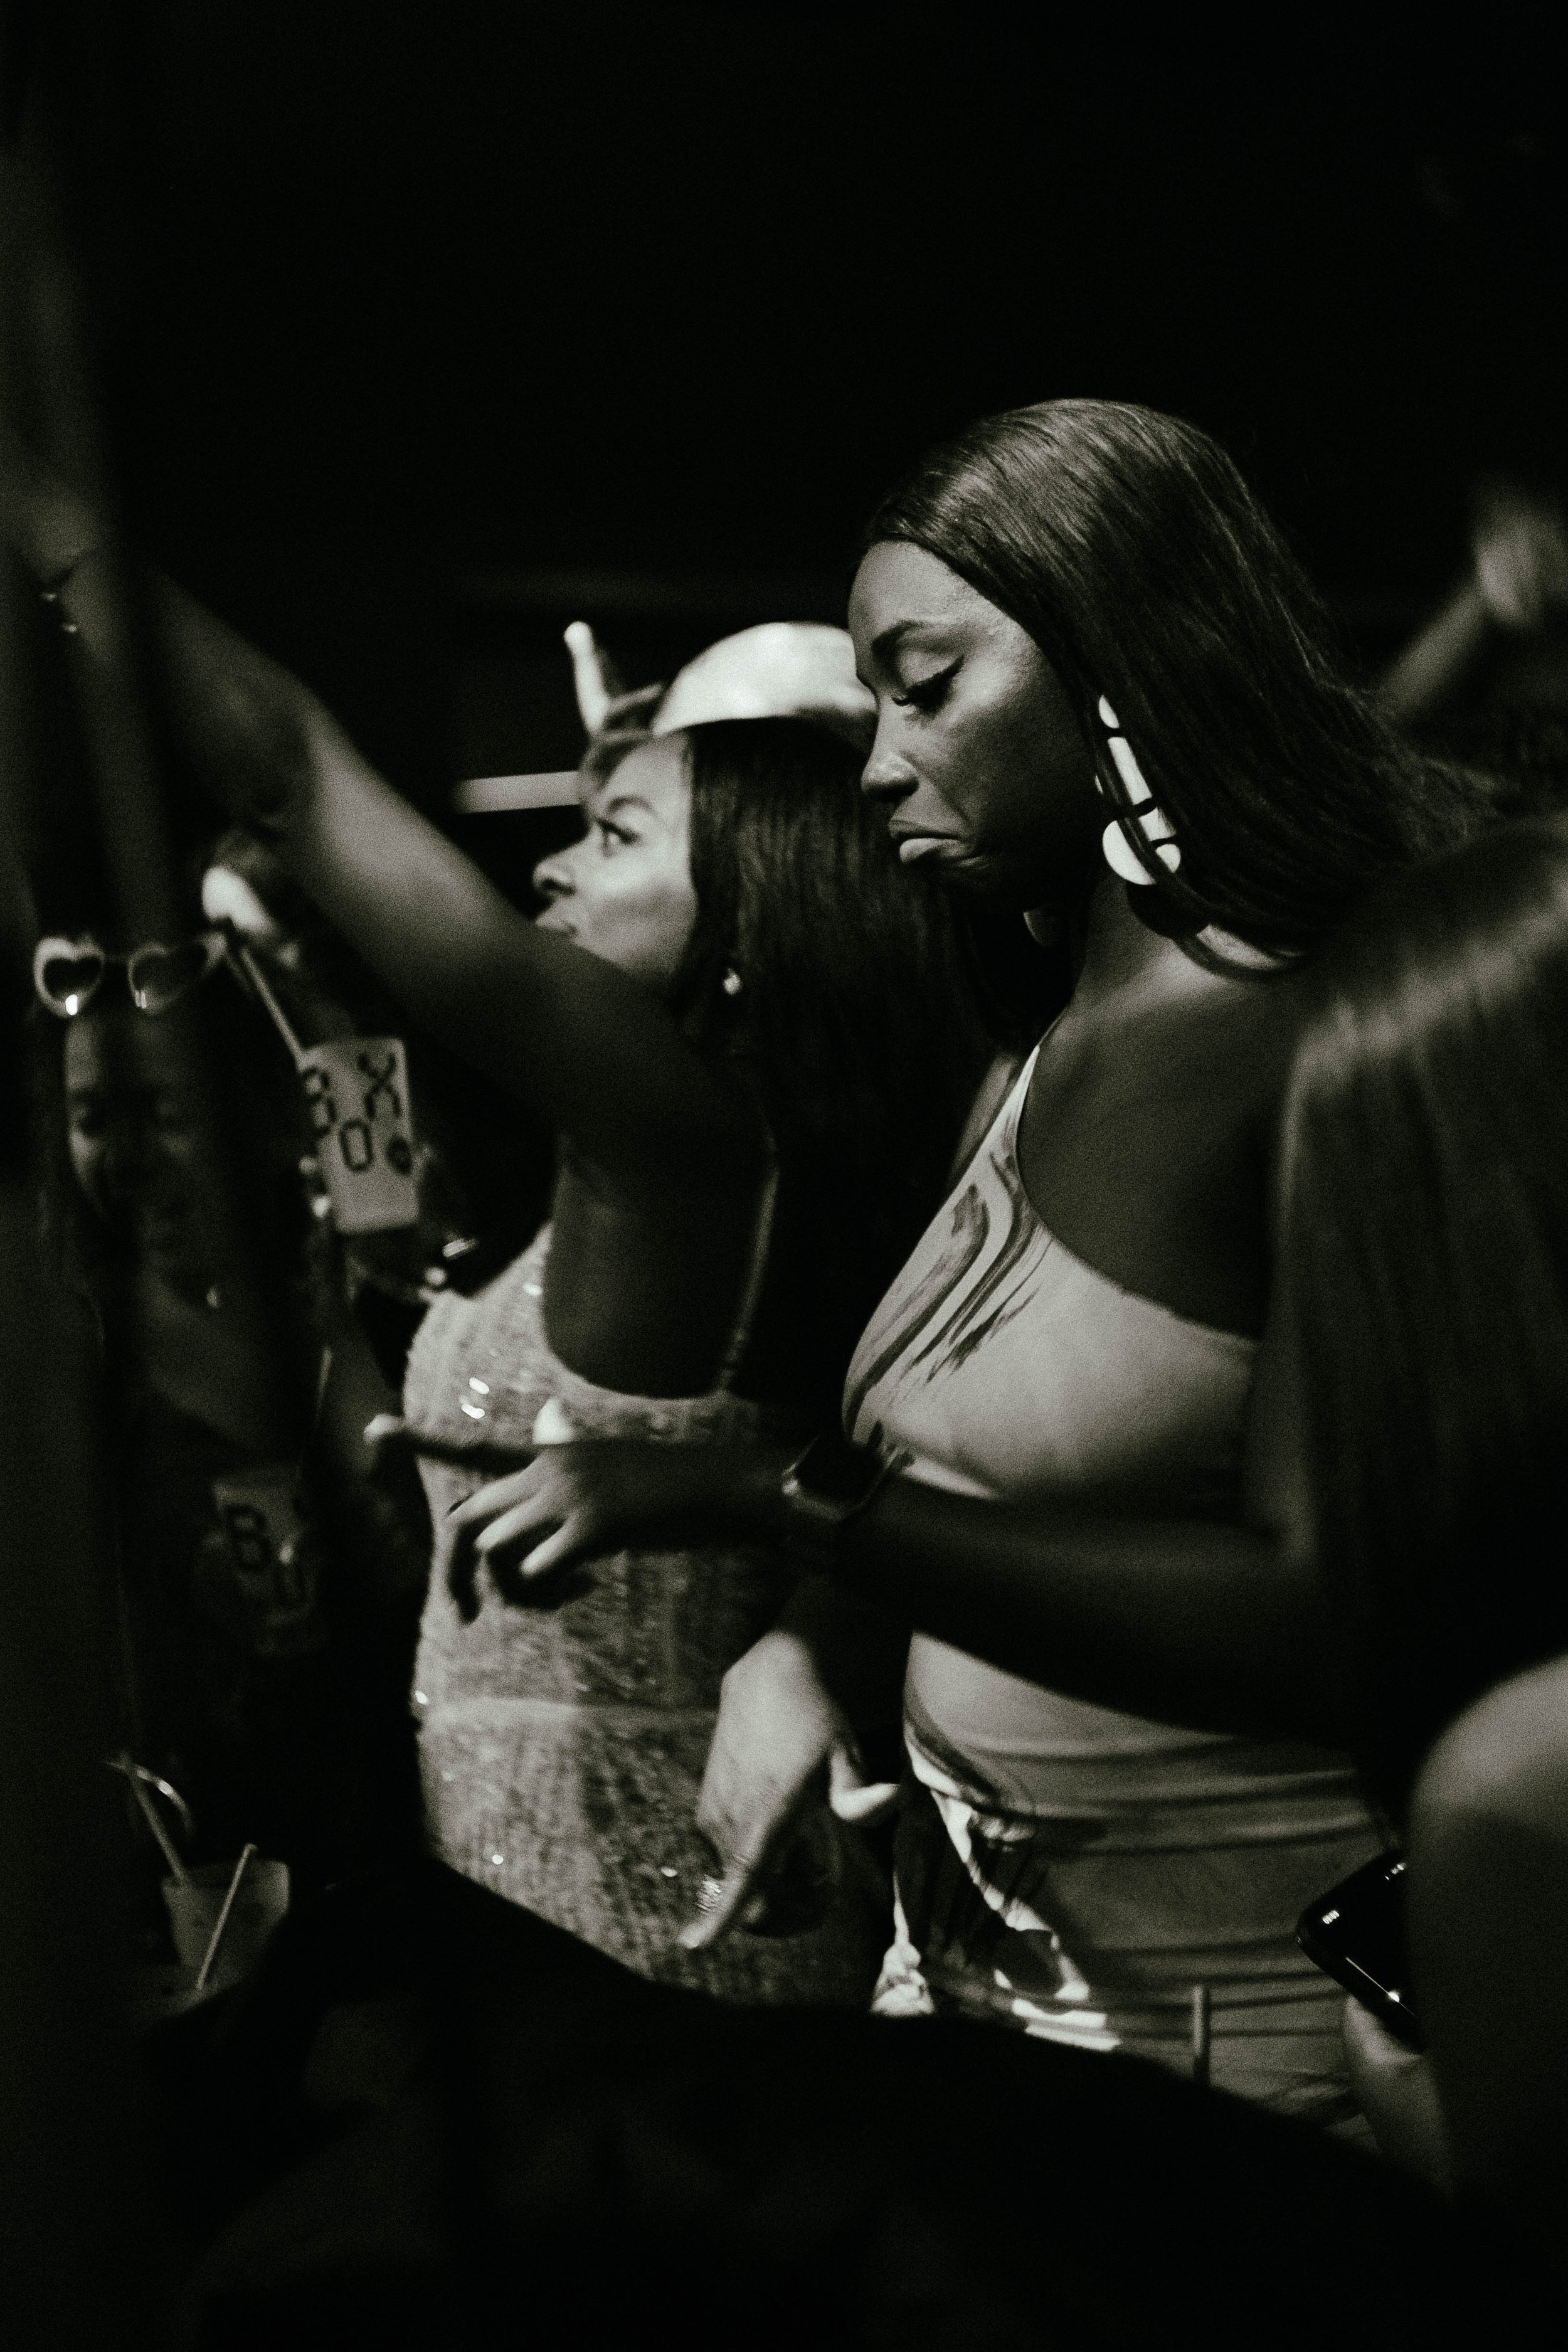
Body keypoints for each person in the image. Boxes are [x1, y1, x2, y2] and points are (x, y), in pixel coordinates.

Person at [453, 399, 1500, 2118]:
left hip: (1237, 2046)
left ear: (1122, 661)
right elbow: (971, 1457)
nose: (877, 763)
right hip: (969, 1986)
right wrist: (820, 1646)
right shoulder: (1036, 1037)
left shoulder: (1318, 1038)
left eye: (922, 688)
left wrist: (780, 1501)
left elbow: (1320, 1613)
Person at [0, 430, 995, 2000]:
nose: (546, 870)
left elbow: (288, 774)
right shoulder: (665, 1163)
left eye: (614, 836)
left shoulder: (684, 1140)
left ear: (751, 927)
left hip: (633, 1941)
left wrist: (52, 518)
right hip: (555, 1905)